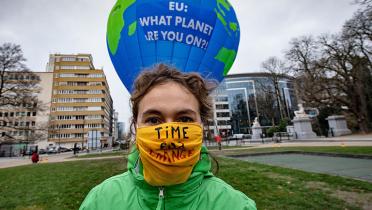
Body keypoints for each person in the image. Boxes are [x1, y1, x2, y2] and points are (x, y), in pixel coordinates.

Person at [80, 64, 256, 210]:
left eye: (184, 119)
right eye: (154, 119)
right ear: (136, 126)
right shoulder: (100, 201)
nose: (169, 131)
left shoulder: (236, 205)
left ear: (201, 126)